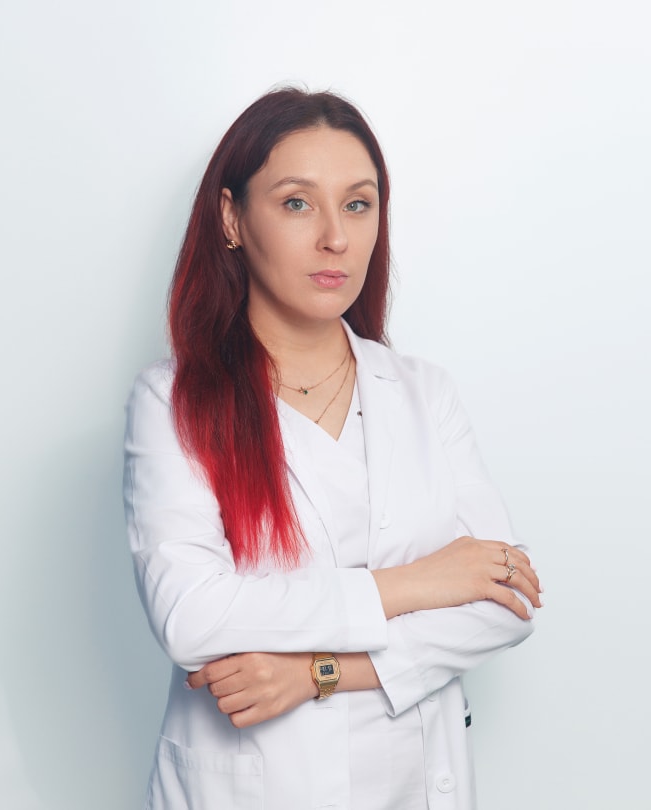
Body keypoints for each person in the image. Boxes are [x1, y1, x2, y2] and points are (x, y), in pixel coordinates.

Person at [123, 87, 542, 810]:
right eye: (296, 203)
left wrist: (317, 672)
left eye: (357, 204)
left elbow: (505, 601)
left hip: (418, 782)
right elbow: (192, 616)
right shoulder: (173, 401)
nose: (336, 239)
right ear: (230, 218)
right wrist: (421, 582)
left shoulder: (424, 393)